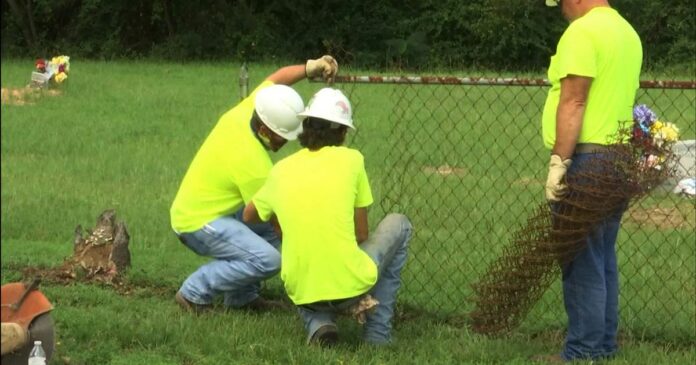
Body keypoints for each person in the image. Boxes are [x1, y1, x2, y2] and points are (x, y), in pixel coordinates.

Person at [242, 88, 413, 346]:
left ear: (306, 126)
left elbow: (249, 215)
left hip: (302, 290)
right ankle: (377, 334)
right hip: (350, 287)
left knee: (307, 279)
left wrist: (280, 221)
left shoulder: (281, 170)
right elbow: (362, 234)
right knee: (399, 224)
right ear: (343, 132)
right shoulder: (352, 160)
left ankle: (320, 323)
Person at [170, 56, 339, 313]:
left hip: (208, 208)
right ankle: (193, 293)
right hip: (195, 223)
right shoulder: (253, 164)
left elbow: (279, 78)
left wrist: (309, 68)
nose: (285, 143)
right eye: (283, 137)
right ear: (267, 130)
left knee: (265, 235)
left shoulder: (248, 110)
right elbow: (275, 221)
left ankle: (242, 299)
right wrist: (309, 255)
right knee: (269, 260)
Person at [538, 0, 642, 362]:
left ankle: (581, 352)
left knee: (580, 258)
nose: (561, 9)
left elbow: (574, 101)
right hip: (618, 158)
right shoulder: (627, 33)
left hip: (588, 158)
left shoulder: (582, 32)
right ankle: (603, 346)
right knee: (602, 256)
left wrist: (559, 162)